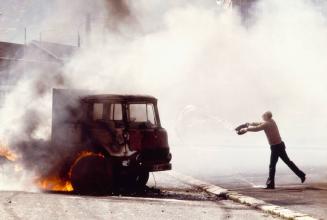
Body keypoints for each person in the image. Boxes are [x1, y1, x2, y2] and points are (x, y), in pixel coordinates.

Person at [236, 111, 306, 189]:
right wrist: (249, 123)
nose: (262, 117)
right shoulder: (271, 121)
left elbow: (257, 128)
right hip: (278, 145)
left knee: (273, 165)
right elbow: (259, 123)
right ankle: (301, 175)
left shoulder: (267, 124)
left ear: (267, 117)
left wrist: (246, 129)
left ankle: (271, 184)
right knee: (286, 162)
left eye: (263, 116)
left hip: (276, 147)